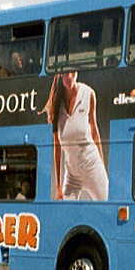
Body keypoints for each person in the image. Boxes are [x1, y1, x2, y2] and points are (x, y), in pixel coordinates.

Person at [40, 72, 108, 200]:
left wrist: (102, 168)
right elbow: (57, 146)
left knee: (108, 207)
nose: (69, 76)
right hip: (72, 176)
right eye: (65, 73)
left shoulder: (88, 93)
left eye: (73, 72)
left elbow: (94, 132)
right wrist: (58, 186)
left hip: (92, 167)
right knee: (64, 210)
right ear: (60, 75)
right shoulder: (56, 104)